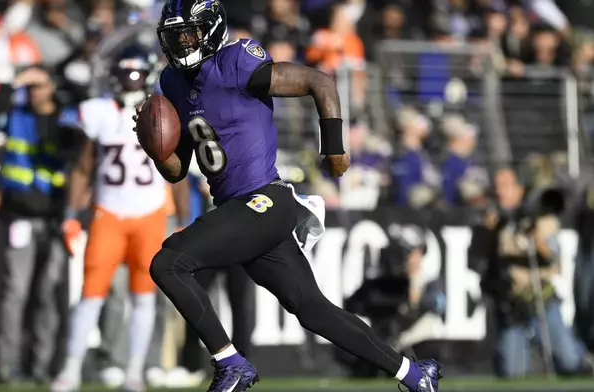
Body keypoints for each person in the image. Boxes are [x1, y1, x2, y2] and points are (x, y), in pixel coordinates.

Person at [134, 1, 443, 392]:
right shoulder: (174, 83)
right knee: (313, 309)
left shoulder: (235, 62)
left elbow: (320, 82)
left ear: (210, 29)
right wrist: (155, 147)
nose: (181, 43)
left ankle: (230, 363)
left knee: (168, 262)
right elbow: (176, 170)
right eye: (174, 36)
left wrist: (334, 148)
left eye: (188, 33)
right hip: (237, 209)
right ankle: (416, 374)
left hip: (264, 200)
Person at [50, 44, 189, 392]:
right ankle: (70, 370)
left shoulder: (163, 112)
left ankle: (135, 372)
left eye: (136, 75)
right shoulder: (98, 113)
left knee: (143, 297)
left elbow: (179, 170)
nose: (130, 82)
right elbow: (83, 168)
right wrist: (71, 214)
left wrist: (185, 218)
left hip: (150, 215)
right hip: (108, 214)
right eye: (125, 75)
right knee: (91, 294)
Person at [0, 65, 82, 383]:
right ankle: (9, 366)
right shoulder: (14, 114)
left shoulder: (66, 119)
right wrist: (16, 79)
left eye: (40, 85)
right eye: (30, 87)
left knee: (48, 293)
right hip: (19, 214)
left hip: (54, 217)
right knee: (15, 292)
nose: (35, 92)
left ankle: (42, 366)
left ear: (52, 86)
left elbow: (70, 149)